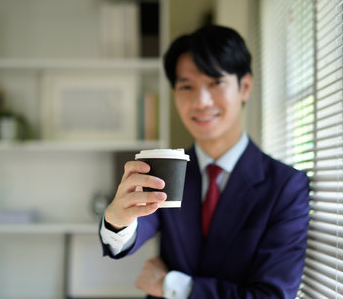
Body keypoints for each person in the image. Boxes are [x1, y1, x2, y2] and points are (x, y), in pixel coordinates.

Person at [99, 24, 310, 299]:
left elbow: (273, 295)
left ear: (244, 87)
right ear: (175, 94)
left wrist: (171, 286)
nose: (201, 101)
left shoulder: (286, 186)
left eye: (215, 83)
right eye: (186, 86)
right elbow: (132, 233)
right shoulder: (165, 171)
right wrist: (118, 220)